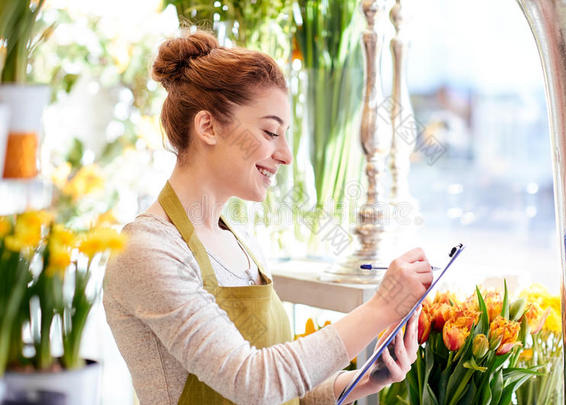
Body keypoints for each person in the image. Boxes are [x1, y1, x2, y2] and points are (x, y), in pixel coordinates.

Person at [102, 29, 433, 405]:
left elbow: (284, 392)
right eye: (270, 131)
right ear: (208, 127)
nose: (286, 155)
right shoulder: (146, 251)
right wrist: (382, 307)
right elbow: (254, 383)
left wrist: (363, 379)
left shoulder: (239, 243)